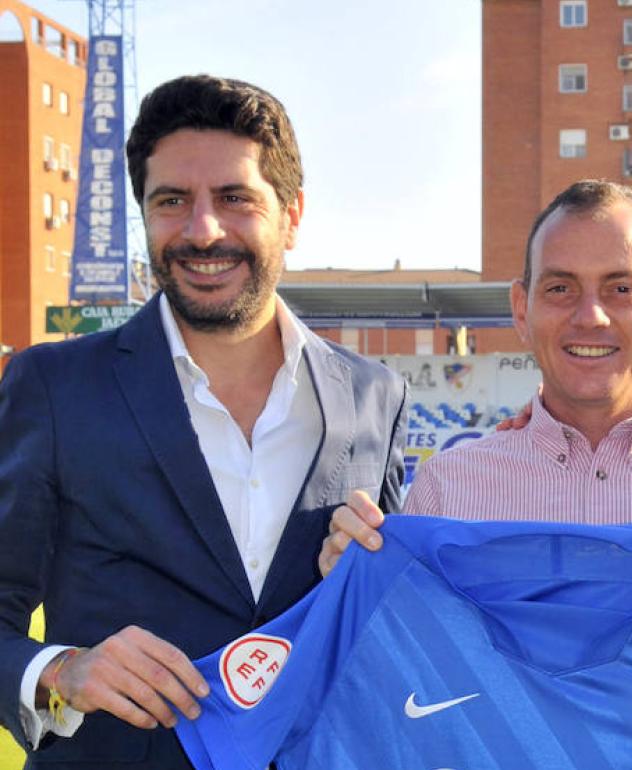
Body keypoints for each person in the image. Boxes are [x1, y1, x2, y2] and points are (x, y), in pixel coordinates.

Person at [0, 75, 407, 768]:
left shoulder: (376, 396)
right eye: (171, 202)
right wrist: (61, 674)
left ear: (292, 214)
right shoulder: (55, 387)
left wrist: (376, 582)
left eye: (234, 198)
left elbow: (394, 635)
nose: (202, 230)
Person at [319, 179, 632, 579]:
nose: (591, 317)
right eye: (560, 288)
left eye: (622, 288)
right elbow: (413, 669)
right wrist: (353, 588)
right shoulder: (451, 489)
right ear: (522, 310)